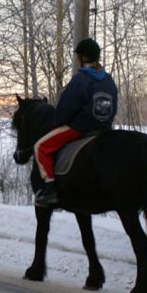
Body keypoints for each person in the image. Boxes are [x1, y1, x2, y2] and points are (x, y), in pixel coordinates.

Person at [33, 37, 118, 207]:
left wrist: (60, 123)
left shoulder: (81, 79)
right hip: (104, 129)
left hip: (81, 128)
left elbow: (66, 107)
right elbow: (114, 106)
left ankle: (50, 189)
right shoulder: (108, 79)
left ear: (82, 57)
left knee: (40, 147)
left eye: (78, 56)